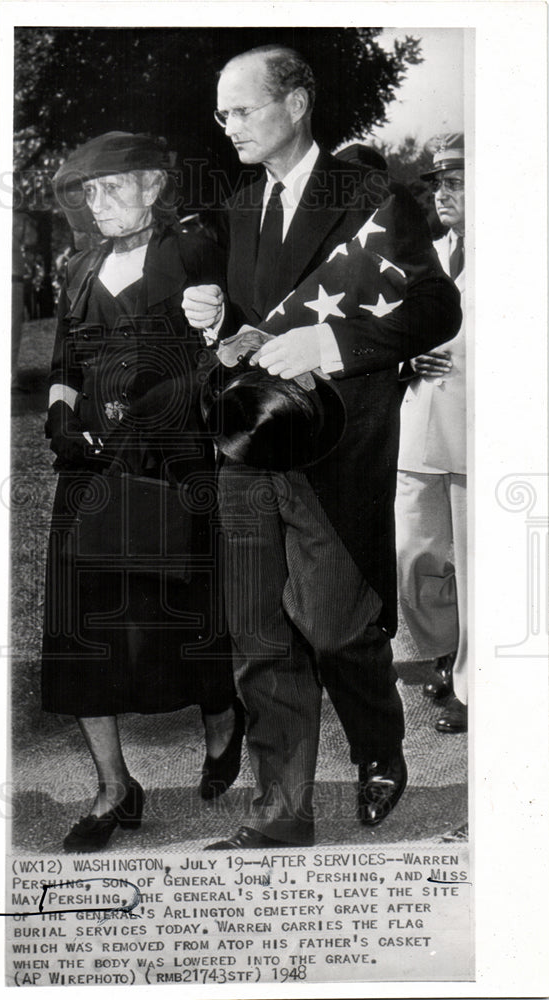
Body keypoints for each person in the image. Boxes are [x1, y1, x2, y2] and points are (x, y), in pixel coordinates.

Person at [182, 45, 462, 848]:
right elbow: (245, 335)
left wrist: (328, 344)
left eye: (241, 109)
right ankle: (278, 814)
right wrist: (212, 317)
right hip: (247, 447)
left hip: (337, 449)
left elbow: (433, 310)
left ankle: (378, 743)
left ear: (295, 103)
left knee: (337, 628)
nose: (226, 124)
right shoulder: (234, 210)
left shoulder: (371, 197)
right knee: (260, 637)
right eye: (221, 113)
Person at [42, 132, 244, 852]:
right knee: (80, 628)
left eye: (113, 188)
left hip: (176, 455)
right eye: (88, 193)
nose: (97, 204)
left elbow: (233, 341)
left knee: (189, 612)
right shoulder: (78, 266)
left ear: (155, 187)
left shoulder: (195, 247)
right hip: (93, 465)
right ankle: (112, 787)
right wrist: (60, 416)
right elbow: (64, 362)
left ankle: (222, 722)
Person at [396, 133, 468, 734]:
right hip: (419, 427)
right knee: (415, 557)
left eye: (457, 182)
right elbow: (389, 329)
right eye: (439, 183)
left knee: (477, 562)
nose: (443, 194)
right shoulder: (427, 257)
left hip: (480, 433)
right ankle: (444, 657)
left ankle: (473, 681)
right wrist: (406, 358)